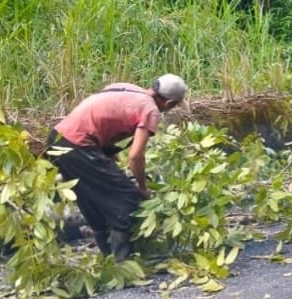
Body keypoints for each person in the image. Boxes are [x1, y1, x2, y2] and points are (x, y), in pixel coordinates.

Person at [45, 74, 187, 258]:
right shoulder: (150, 110)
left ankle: (108, 257)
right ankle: (123, 260)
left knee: (90, 198)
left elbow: (103, 116)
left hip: (57, 138)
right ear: (169, 103)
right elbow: (135, 157)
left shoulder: (125, 87)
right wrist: (142, 187)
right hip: (79, 145)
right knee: (128, 198)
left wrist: (107, 154)